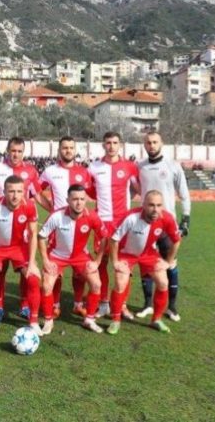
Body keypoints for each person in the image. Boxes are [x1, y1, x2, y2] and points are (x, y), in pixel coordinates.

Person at [0, 137, 45, 322]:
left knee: (27, 273)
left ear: (23, 152)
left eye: (19, 151)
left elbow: (38, 195)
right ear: (7, 151)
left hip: (20, 232)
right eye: (13, 151)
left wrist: (56, 210)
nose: (16, 154)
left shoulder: (31, 170)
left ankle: (25, 305)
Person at [0, 175, 42, 337]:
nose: (15, 195)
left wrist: (32, 262)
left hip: (19, 248)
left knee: (33, 278)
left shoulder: (30, 206)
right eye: (11, 191)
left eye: (19, 191)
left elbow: (33, 234)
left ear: (24, 192)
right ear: (4, 192)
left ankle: (33, 321)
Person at [107, 190, 181, 335]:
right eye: (151, 205)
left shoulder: (166, 218)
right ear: (144, 205)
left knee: (163, 282)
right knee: (121, 283)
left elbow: (176, 240)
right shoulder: (131, 217)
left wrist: (168, 262)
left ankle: (156, 319)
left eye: (159, 205)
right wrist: (115, 261)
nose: (155, 209)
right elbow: (114, 239)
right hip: (126, 254)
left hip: (148, 254)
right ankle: (115, 320)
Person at [38, 184, 107, 335]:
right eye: (75, 199)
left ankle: (89, 320)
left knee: (96, 284)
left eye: (82, 199)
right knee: (47, 285)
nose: (79, 203)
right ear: (67, 200)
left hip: (81, 256)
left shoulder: (92, 216)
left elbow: (104, 237)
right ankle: (48, 321)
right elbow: (41, 236)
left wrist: (97, 261)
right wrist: (46, 260)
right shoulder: (57, 216)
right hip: (57, 255)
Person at [136, 132, 191, 322]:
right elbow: (132, 189)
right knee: (146, 264)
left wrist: (186, 218)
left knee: (170, 264)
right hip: (145, 224)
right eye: (148, 142)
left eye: (155, 142)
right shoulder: (140, 167)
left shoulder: (173, 165)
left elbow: (184, 193)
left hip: (167, 224)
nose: (151, 145)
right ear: (144, 145)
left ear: (161, 143)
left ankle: (172, 307)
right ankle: (147, 304)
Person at [38, 136, 93, 317]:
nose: (68, 151)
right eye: (65, 148)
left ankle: (78, 303)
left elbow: (89, 195)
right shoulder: (50, 171)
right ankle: (55, 304)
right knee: (56, 268)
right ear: (59, 150)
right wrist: (51, 208)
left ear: (75, 150)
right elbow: (36, 191)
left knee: (79, 268)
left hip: (79, 226)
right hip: (58, 227)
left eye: (71, 147)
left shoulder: (83, 172)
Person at [87, 131, 139, 319]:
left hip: (123, 223)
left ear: (120, 145)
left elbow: (138, 188)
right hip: (102, 222)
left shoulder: (130, 167)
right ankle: (103, 303)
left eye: (115, 143)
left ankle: (122, 304)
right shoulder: (93, 167)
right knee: (101, 263)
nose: (111, 146)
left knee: (124, 265)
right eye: (108, 143)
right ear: (103, 145)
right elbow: (91, 192)